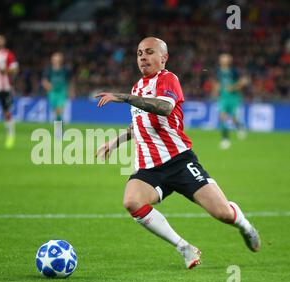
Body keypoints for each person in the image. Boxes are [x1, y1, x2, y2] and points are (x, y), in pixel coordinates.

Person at [95, 37, 260, 269]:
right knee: (132, 201)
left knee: (222, 213)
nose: (143, 57)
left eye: (150, 52)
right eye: (140, 53)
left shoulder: (168, 79)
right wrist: (116, 141)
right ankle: (184, 247)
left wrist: (123, 98)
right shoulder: (137, 87)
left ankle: (245, 226)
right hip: (149, 168)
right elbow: (141, 124)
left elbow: (165, 107)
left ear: (164, 58)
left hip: (179, 161)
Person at [214, 53, 248, 149]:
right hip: (223, 97)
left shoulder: (234, 71)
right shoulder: (218, 71)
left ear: (229, 60)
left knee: (234, 118)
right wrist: (217, 90)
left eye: (224, 58)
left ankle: (240, 127)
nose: (222, 60)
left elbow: (243, 81)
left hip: (234, 97)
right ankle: (225, 139)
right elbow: (217, 83)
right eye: (221, 58)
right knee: (223, 117)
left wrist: (233, 87)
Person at [41, 52, 74, 125]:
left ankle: (58, 131)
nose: (55, 60)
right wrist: (47, 85)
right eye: (54, 59)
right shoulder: (48, 70)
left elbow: (70, 81)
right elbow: (44, 80)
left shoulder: (65, 70)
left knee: (59, 110)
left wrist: (71, 91)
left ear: (60, 60)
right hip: (52, 93)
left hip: (62, 92)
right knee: (56, 112)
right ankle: (59, 128)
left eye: (57, 59)